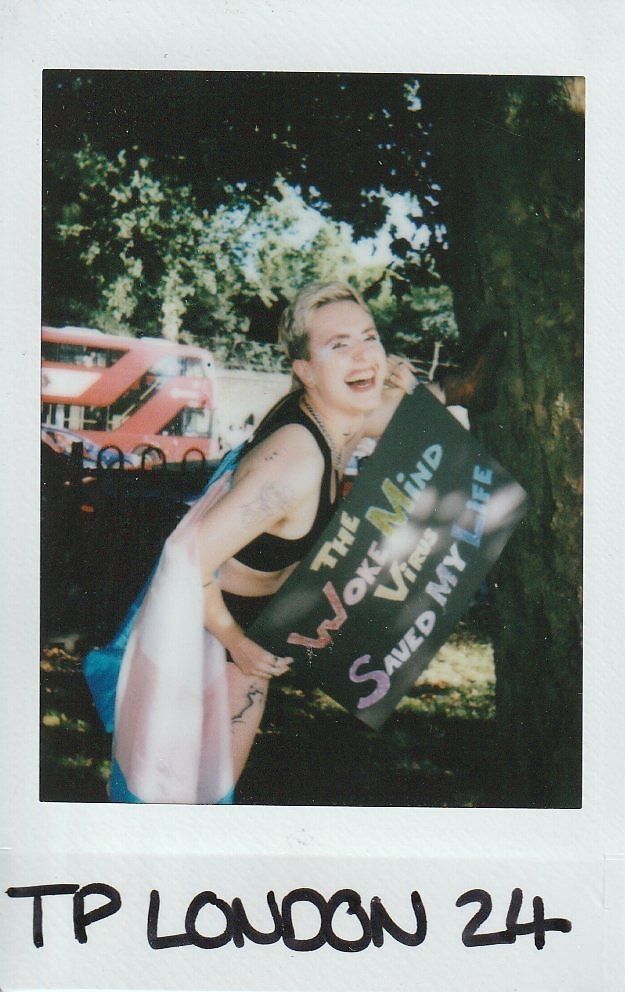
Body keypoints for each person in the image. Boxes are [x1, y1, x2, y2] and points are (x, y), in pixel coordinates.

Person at [86, 281, 474, 804]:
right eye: (339, 344)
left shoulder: (343, 421)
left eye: (370, 337)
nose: (363, 353)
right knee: (167, 800)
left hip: (242, 632)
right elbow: (186, 558)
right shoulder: (297, 462)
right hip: (209, 634)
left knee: (203, 799)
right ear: (305, 371)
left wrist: (407, 382)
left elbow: (444, 402)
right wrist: (237, 642)